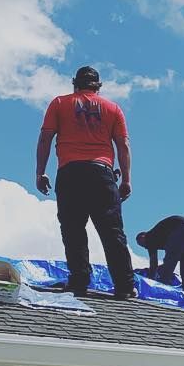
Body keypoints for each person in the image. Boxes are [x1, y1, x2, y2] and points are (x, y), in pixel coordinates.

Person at [35, 65, 137, 299]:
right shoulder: (113, 108)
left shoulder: (60, 103)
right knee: (112, 232)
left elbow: (45, 139)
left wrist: (40, 172)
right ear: (97, 86)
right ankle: (124, 286)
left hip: (71, 172)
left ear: (75, 84)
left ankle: (79, 282)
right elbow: (123, 146)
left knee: (73, 230)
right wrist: (127, 179)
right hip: (101, 173)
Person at [136, 215, 184, 294]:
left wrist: (150, 283)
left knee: (170, 260)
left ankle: (162, 288)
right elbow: (177, 254)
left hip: (183, 226)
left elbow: (154, 264)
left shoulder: (149, 237)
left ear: (143, 237)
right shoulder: (160, 235)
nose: (144, 247)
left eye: (141, 244)